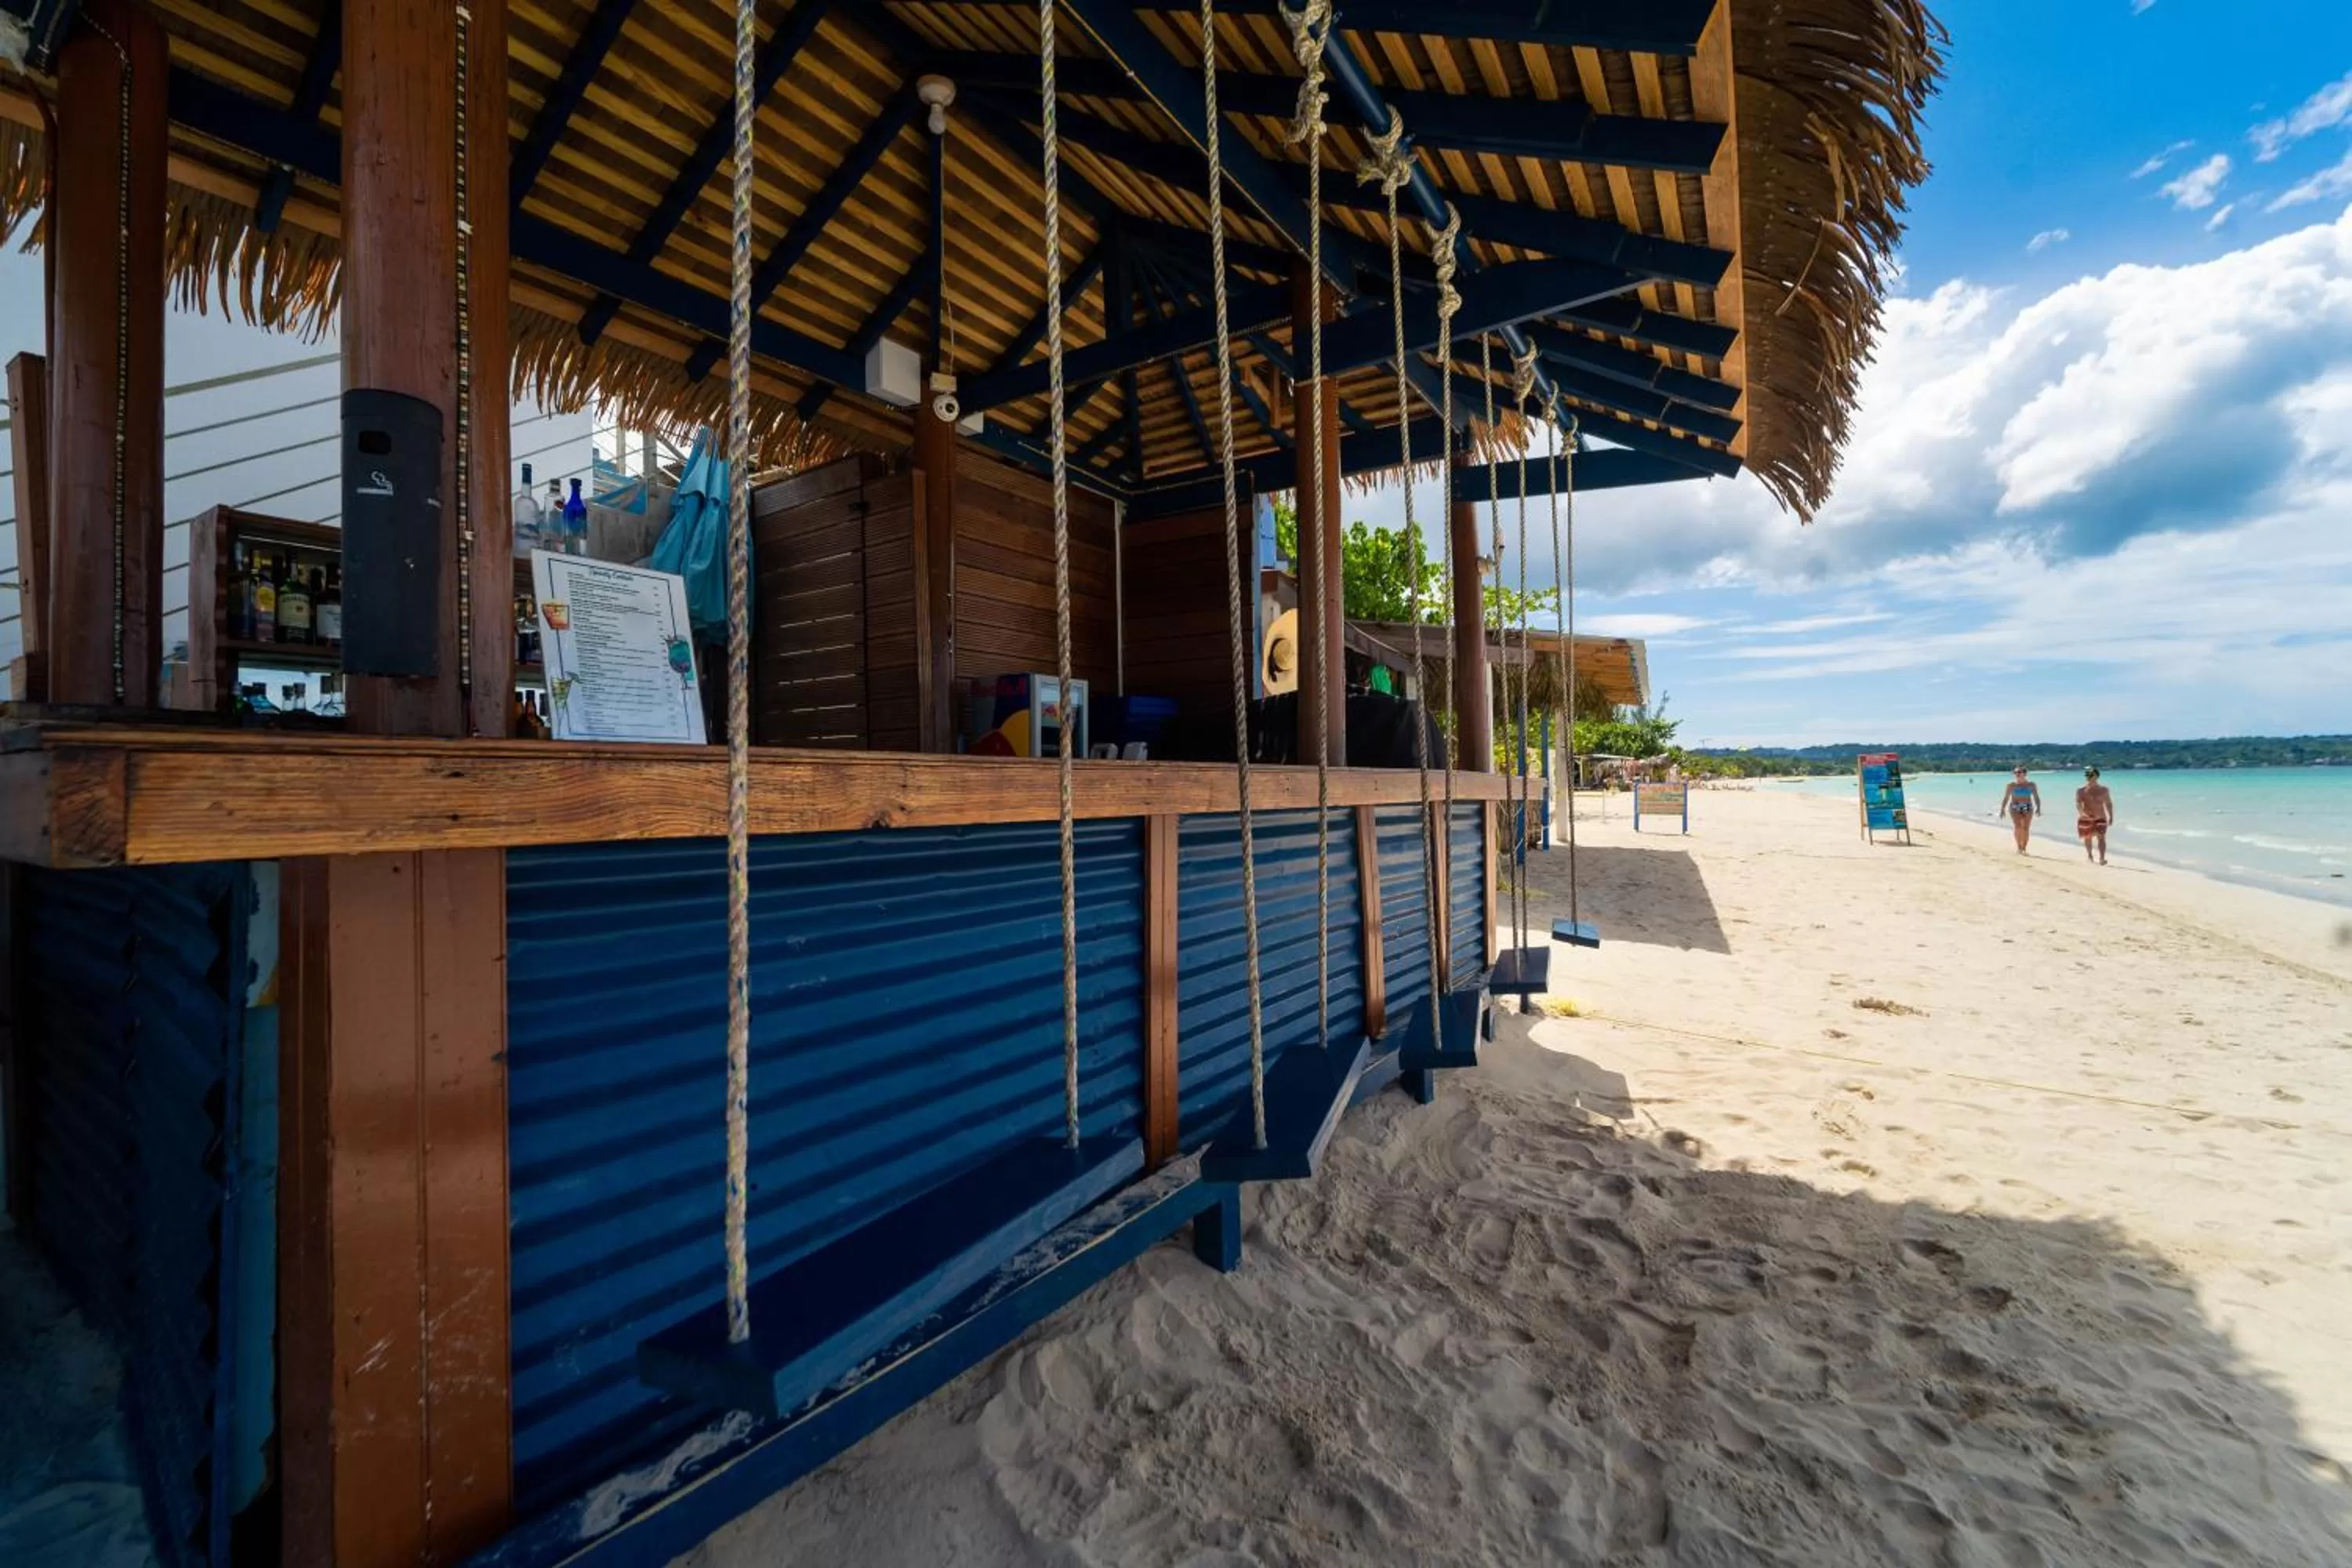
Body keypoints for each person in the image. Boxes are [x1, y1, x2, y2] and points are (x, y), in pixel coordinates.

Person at [1996, 765, 2041, 853]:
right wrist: (2002, 809)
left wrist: (2038, 808)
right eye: (2015, 772)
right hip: (2015, 807)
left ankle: (2024, 848)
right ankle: (2019, 847)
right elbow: (2006, 798)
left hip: (2028, 806)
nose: (2017, 774)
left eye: (2019, 772)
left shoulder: (2031, 785)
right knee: (2018, 827)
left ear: (2025, 774)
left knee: (2026, 828)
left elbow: (2036, 797)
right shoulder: (2011, 785)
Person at [2076, 767, 2116, 865]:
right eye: (2087, 775)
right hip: (2086, 817)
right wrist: (2082, 814)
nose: (2088, 777)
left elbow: (2108, 804)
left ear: (2097, 776)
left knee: (2101, 838)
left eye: (2090, 775)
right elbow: (2078, 803)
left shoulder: (2104, 790)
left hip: (2101, 817)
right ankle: (2090, 856)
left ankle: (2102, 859)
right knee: (2088, 837)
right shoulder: (2081, 790)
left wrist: (2111, 816)